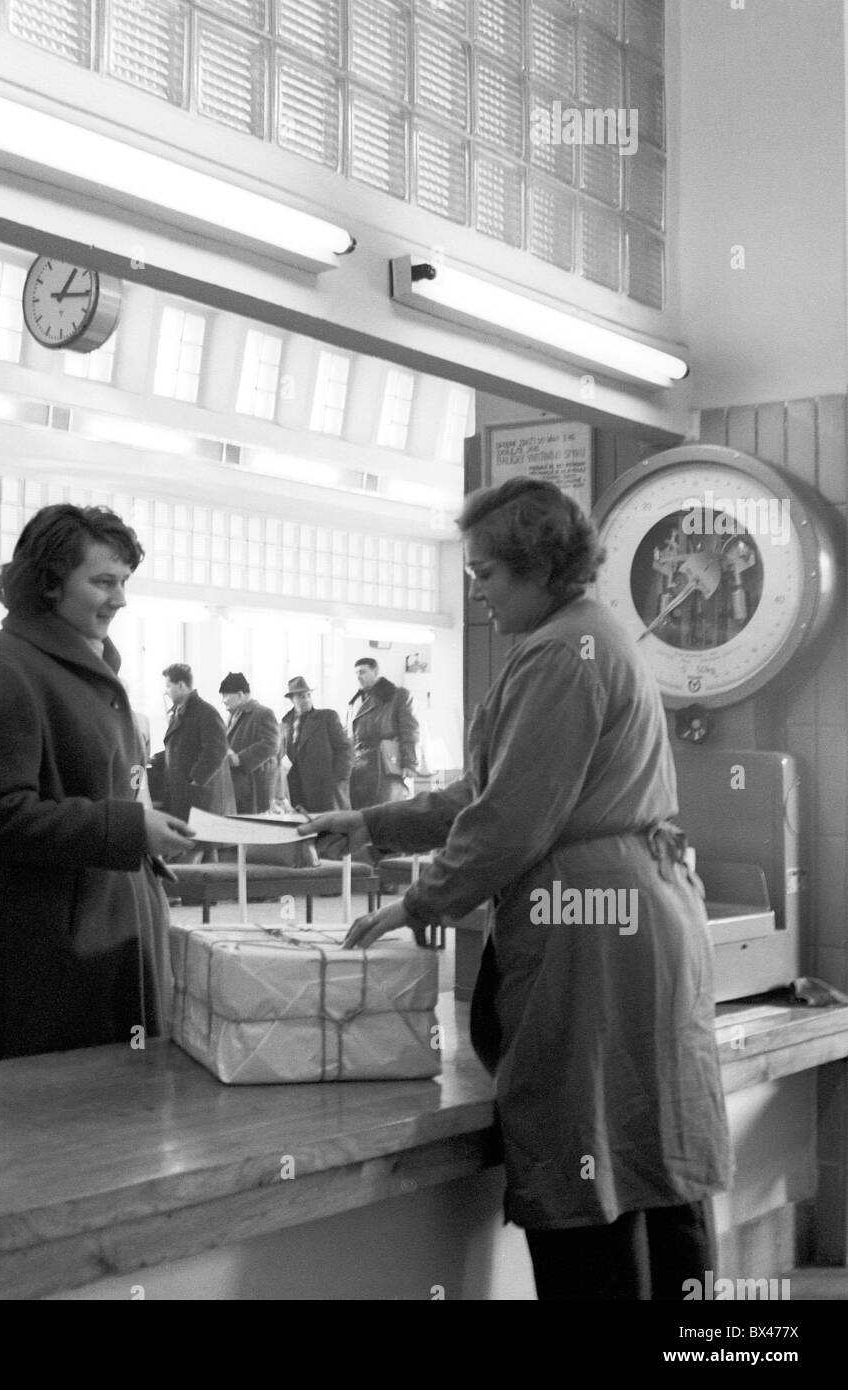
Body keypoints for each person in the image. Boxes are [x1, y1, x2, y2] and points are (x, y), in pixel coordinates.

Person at [304, 477, 732, 1301]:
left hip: (593, 930)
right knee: (653, 1153)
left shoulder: (560, 654)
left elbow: (510, 819)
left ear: (541, 567)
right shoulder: (586, 637)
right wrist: (374, 823)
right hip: (631, 912)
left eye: (488, 574)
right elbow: (490, 792)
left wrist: (420, 903)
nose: (479, 591)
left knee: (584, 1153)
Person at [0, 504, 196, 1067]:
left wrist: (143, 840)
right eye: (103, 581)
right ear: (50, 584)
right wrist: (129, 828)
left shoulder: (85, 662)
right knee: (51, 1113)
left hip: (111, 914)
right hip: (44, 934)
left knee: (117, 1113)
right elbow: (2, 815)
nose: (120, 598)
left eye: (124, 581)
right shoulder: (0, 668)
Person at [161, 663, 235, 821]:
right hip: (186, 795)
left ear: (181, 685)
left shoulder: (205, 712)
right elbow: (178, 748)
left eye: (168, 686)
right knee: (189, 842)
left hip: (199, 798)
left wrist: (196, 779)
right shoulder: (182, 712)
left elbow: (217, 749)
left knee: (201, 843)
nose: (166, 692)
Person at [346, 656, 419, 808]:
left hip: (386, 763)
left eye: (363, 672)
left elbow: (410, 730)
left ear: (375, 671)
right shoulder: (356, 701)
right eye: (356, 673)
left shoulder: (397, 695)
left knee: (386, 810)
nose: (359, 676)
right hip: (362, 766)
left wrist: (410, 763)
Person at [280, 676, 352, 812]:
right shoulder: (286, 723)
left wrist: (338, 780)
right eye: (301, 696)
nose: (306, 700)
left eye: (308, 695)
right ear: (292, 699)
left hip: (327, 788)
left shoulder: (327, 717)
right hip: (299, 790)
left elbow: (345, 748)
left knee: (333, 829)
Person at [219, 672, 280, 814]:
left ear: (240, 694)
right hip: (240, 786)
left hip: (255, 787)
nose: (224, 701)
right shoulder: (233, 716)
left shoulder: (263, 713)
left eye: (226, 695)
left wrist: (240, 759)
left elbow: (271, 744)